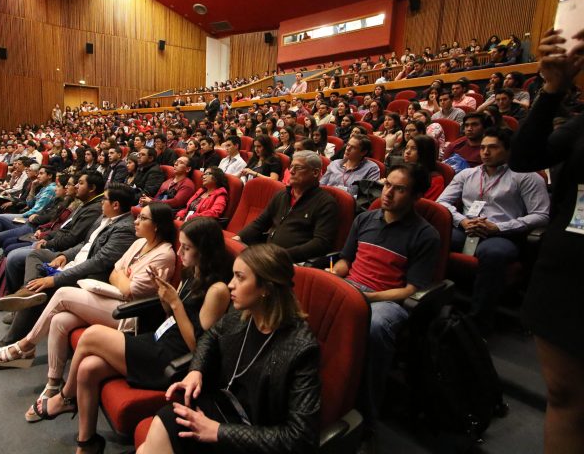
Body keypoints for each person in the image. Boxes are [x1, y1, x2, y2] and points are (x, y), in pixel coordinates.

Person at [31, 219, 232, 453]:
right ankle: (87, 445)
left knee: (92, 335)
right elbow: (173, 317)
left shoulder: (218, 290)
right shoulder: (192, 272)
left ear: (205, 249)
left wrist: (175, 303)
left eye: (186, 248)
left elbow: (198, 348)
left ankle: (65, 398)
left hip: (174, 359)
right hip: (160, 339)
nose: (180, 253)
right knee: (88, 368)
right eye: (181, 246)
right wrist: (165, 299)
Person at [138, 244, 320, 454]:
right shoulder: (242, 315)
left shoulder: (301, 348)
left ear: (266, 288)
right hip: (222, 407)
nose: (230, 285)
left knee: (157, 436)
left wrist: (219, 431)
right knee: (160, 428)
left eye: (240, 278)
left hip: (253, 435)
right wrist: (196, 370)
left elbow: (300, 437)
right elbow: (210, 337)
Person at [0, 202, 176, 379]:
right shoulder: (139, 243)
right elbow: (115, 272)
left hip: (130, 314)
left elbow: (130, 289)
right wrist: (120, 277)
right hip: (110, 294)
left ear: (157, 226)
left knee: (61, 292)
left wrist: (121, 277)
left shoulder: (164, 254)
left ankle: (21, 348)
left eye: (143, 218)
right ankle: (53, 384)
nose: (136, 221)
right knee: (60, 319)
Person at [509, 27, 584, 453]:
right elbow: (524, 157)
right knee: (564, 395)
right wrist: (552, 89)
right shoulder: (581, 124)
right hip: (569, 269)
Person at [331, 163, 439, 420]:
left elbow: (410, 289)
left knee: (375, 327)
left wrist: (367, 298)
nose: (388, 193)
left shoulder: (426, 235)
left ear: (416, 196)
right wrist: (332, 277)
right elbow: (345, 261)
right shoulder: (364, 219)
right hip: (353, 286)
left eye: (399, 189)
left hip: (387, 300)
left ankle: (366, 414)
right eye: (387, 185)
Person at [437, 128, 550, 332]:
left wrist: (498, 227)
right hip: (467, 228)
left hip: (503, 234)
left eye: (493, 147)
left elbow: (541, 214)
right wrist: (462, 221)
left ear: (508, 150)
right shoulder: (467, 174)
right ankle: (432, 301)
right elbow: (442, 202)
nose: (485, 152)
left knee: (492, 253)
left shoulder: (526, 177)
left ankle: (478, 321)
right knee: (434, 237)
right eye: (482, 148)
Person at [235, 151, 338, 264]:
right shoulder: (282, 195)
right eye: (291, 167)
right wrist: (239, 238)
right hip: (270, 255)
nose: (291, 171)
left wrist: (281, 255)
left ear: (315, 172)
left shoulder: (325, 203)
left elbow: (321, 243)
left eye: (298, 168)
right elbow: (260, 223)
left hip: (294, 262)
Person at [403, 135, 446, 200]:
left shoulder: (435, 180)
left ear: (425, 152)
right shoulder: (402, 170)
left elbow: (423, 203)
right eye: (406, 148)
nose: (407, 152)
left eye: (414, 148)